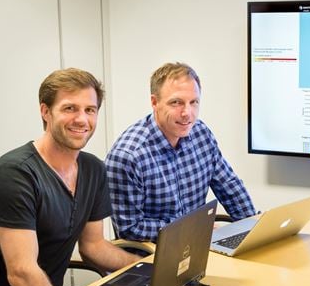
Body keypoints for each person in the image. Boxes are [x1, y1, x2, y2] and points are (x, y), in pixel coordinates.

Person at [0, 68, 141, 286]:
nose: (82, 119)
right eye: (70, 108)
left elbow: (94, 247)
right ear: (45, 111)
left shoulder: (93, 169)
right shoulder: (15, 174)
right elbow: (22, 272)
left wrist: (146, 266)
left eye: (90, 110)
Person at [105, 62, 256, 242]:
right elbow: (129, 228)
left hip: (196, 245)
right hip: (153, 254)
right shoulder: (128, 156)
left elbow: (229, 185)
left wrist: (253, 227)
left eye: (194, 102)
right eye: (176, 103)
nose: (187, 113)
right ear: (154, 102)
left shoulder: (200, 133)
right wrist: (193, 228)